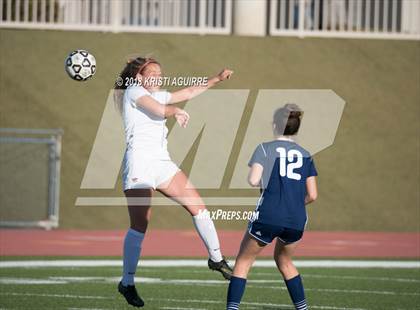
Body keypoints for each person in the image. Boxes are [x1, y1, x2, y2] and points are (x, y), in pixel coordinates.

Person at [114, 56, 234, 307]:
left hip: (162, 163)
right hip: (140, 164)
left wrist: (216, 79)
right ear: (140, 77)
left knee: (198, 207)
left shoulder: (158, 93)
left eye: (160, 72)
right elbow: (159, 110)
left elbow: (189, 91)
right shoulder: (134, 91)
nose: (158, 76)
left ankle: (216, 258)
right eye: (153, 72)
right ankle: (127, 282)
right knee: (140, 225)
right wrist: (175, 111)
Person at [226, 104, 318, 310]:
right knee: (284, 261)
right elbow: (312, 195)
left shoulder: (264, 148)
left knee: (243, 262)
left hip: (269, 214)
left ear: (275, 125)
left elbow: (253, 180)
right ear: (296, 128)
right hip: (296, 218)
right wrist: (292, 202)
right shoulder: (306, 154)